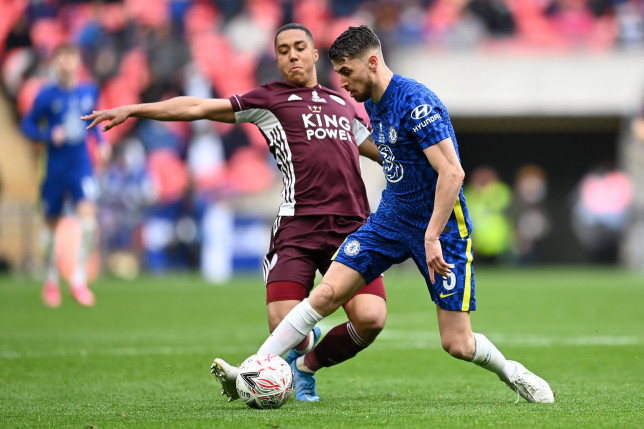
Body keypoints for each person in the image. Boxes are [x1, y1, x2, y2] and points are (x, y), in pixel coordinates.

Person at [212, 25, 555, 404]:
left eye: (346, 72)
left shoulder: (416, 103)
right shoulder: (372, 101)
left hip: (441, 229)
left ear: (372, 62)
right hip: (390, 219)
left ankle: (513, 373)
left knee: (457, 343)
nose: (341, 82)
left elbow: (453, 172)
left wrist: (430, 237)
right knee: (327, 293)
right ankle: (254, 366)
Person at [82, 23, 387, 402]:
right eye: (282, 50)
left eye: (299, 47)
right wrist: (134, 109)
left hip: (352, 228)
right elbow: (196, 106)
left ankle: (307, 366)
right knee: (282, 323)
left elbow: (382, 152)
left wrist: (428, 158)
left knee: (371, 319)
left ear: (314, 54)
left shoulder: (343, 103)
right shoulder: (268, 100)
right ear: (276, 59)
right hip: (298, 227)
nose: (291, 55)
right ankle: (296, 347)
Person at [21, 44, 109, 308]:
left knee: (89, 223)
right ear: (56, 63)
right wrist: (48, 136)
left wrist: (102, 143)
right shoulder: (46, 96)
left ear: (78, 62)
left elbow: (93, 122)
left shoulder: (88, 91)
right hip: (54, 169)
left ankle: (78, 280)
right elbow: (27, 124)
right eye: (61, 58)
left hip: (81, 166)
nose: (66, 63)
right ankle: (50, 281)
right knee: (50, 228)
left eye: (71, 58)